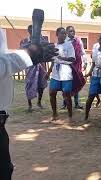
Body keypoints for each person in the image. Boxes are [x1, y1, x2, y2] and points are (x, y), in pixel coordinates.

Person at [0, 26, 57, 180]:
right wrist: (28, 54)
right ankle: (31, 104)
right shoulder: (25, 42)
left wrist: (32, 54)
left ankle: (37, 102)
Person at [46, 27, 76, 122]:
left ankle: (70, 116)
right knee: (52, 93)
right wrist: (48, 72)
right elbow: (53, 61)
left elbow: (72, 59)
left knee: (66, 95)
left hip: (66, 73)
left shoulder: (69, 45)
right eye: (61, 33)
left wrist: (62, 58)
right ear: (57, 34)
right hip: (55, 73)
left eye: (64, 34)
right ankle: (55, 114)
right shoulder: (54, 46)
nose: (63, 35)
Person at [20, 25, 48, 112]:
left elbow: (46, 52)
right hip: (30, 66)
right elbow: (21, 52)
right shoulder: (25, 41)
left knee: (41, 85)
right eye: (31, 30)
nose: (33, 31)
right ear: (28, 31)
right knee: (29, 84)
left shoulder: (42, 40)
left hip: (41, 65)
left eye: (35, 29)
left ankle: (39, 102)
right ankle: (30, 105)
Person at [60, 26, 87, 109]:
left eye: (73, 31)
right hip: (67, 66)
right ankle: (64, 103)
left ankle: (76, 103)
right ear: (67, 32)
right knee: (66, 85)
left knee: (77, 83)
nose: (73, 32)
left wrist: (85, 62)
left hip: (77, 65)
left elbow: (82, 52)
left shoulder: (78, 40)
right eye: (70, 31)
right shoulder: (64, 41)